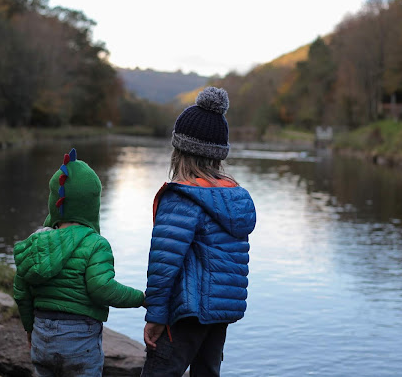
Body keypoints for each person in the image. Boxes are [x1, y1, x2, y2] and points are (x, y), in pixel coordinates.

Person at [141, 87, 257, 376]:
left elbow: (163, 264)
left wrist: (155, 315)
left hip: (186, 311)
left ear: (179, 151)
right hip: (220, 313)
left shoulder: (182, 198)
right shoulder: (233, 197)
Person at [13, 148, 144, 377]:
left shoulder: (37, 244)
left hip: (42, 335)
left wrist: (29, 328)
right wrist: (140, 298)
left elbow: (22, 291)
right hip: (79, 341)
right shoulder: (95, 244)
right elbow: (101, 289)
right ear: (93, 205)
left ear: (55, 202)